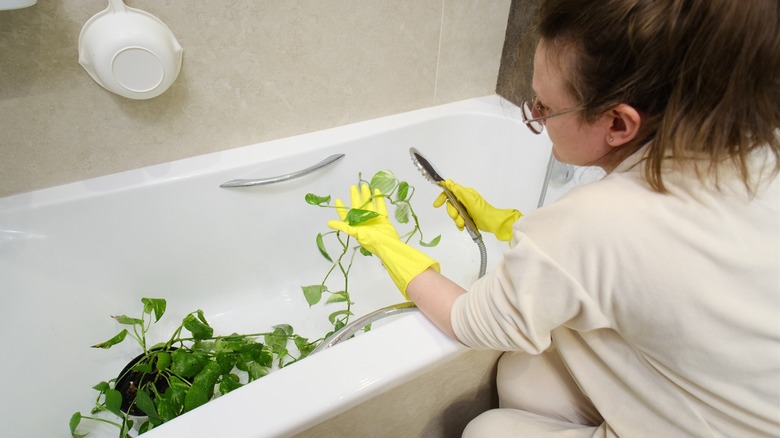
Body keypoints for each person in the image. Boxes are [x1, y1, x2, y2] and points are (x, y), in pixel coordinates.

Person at [327, 0, 780, 436]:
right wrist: (507, 223)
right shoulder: (756, 147)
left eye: (544, 106)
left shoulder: (604, 219)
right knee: (520, 377)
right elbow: (633, 269)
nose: (536, 117)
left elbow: (468, 321)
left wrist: (385, 244)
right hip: (729, 397)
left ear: (620, 124)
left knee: (486, 430)